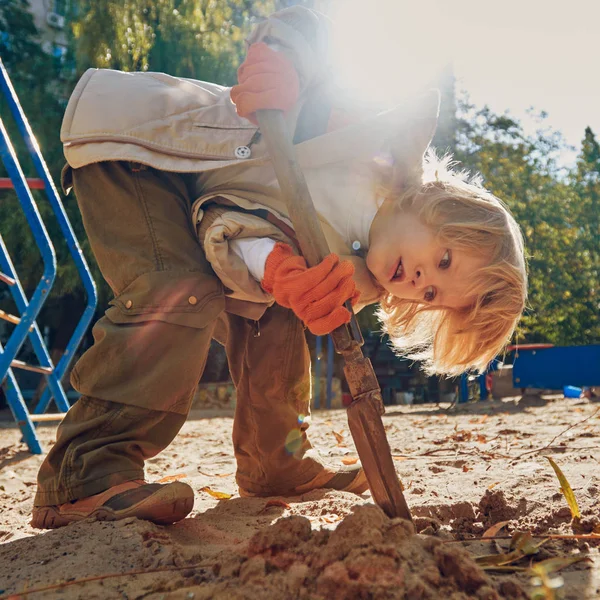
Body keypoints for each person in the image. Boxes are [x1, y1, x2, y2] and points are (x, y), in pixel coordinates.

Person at [31, 6, 527, 529]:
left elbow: (228, 220)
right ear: (433, 205)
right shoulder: (364, 140)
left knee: (283, 313)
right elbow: (311, 28)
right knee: (176, 288)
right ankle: (83, 474)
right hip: (146, 153)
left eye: (433, 296)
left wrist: (282, 277)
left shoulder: (357, 271)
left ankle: (276, 462)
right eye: (443, 260)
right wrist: (289, 62)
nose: (423, 282)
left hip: (212, 209)